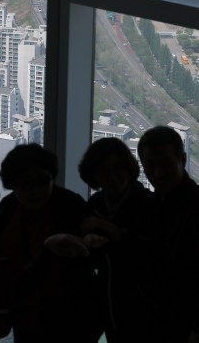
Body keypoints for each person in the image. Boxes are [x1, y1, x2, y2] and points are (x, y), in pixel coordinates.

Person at [0, 143, 104, 343]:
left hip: (72, 320)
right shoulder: (8, 209)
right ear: (13, 185)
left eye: (43, 181)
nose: (36, 190)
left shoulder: (71, 204)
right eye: (26, 184)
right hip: (25, 317)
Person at [78, 137, 153, 343]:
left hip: (142, 304)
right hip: (106, 300)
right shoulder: (96, 204)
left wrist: (104, 227)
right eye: (103, 172)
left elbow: (146, 250)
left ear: (129, 170)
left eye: (118, 169)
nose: (112, 178)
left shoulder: (146, 203)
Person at [137, 126, 199, 343]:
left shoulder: (193, 209)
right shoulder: (150, 206)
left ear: (183, 160)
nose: (158, 173)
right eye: (150, 165)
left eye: (165, 164)